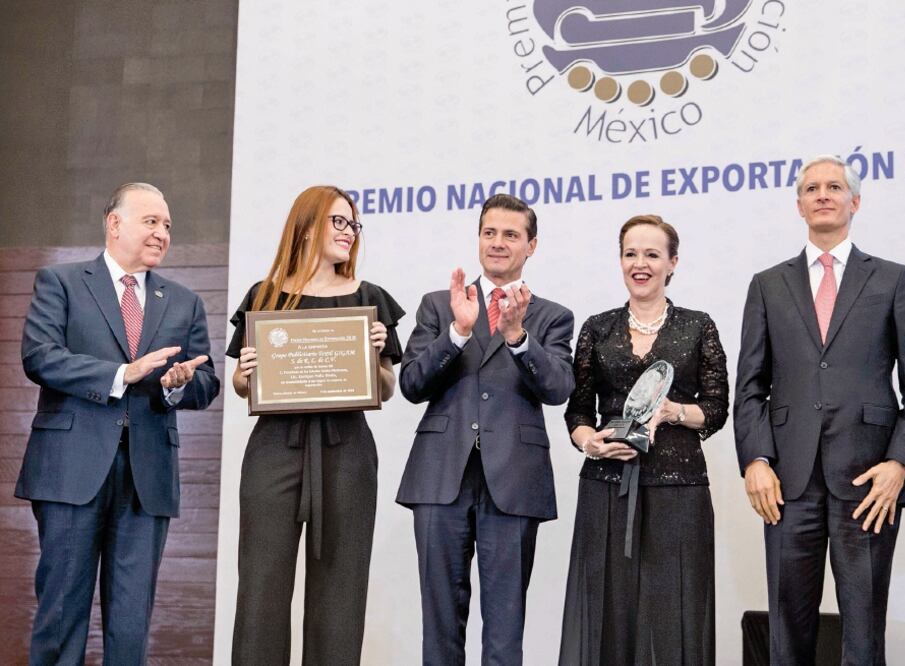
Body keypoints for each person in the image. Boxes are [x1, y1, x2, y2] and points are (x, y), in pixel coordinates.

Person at [734, 155, 905, 665]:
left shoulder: (894, 280)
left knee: (864, 633)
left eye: (834, 186)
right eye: (811, 188)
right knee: (786, 633)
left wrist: (900, 465)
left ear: (855, 201)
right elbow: (750, 387)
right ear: (799, 204)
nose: (822, 194)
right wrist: (755, 460)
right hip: (786, 482)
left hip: (870, 482)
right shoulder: (767, 284)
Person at [16, 182, 220, 664]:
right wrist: (121, 374)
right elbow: (40, 357)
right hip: (70, 472)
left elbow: (206, 380)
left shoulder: (185, 301)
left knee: (131, 625)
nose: (162, 233)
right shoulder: (61, 281)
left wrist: (176, 384)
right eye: (151, 221)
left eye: (167, 225)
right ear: (114, 224)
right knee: (61, 615)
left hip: (147, 478)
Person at [228, 185, 404, 665]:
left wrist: (374, 358)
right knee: (261, 589)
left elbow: (386, 387)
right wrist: (244, 376)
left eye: (354, 224)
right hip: (274, 451)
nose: (349, 233)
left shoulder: (370, 299)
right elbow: (242, 385)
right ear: (306, 227)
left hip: (346, 450)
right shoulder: (263, 296)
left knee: (341, 591)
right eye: (338, 222)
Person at [396, 193, 574, 665]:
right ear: (479, 238)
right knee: (439, 628)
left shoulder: (551, 316)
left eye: (511, 235)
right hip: (440, 479)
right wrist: (456, 333)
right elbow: (411, 384)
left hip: (514, 482)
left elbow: (558, 388)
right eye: (489, 232)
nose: (498, 243)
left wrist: (517, 338)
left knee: (504, 632)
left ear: (531, 246)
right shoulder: (439, 305)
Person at [559, 215, 729, 665]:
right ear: (620, 261)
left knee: (674, 611)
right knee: (606, 608)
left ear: (672, 263)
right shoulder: (597, 328)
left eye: (652, 254)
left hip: (679, 488)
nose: (641, 263)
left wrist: (674, 411)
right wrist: (588, 442)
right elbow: (577, 410)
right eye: (631, 253)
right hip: (606, 485)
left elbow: (717, 408)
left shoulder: (698, 326)